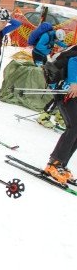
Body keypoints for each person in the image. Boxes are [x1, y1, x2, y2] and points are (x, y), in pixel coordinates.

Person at [43, 45, 77, 184]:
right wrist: (74, 83)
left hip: (72, 93)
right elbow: (74, 61)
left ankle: (62, 164)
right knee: (73, 127)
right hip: (66, 90)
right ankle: (54, 163)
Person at [31, 26, 67, 128]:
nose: (57, 41)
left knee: (64, 97)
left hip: (44, 55)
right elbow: (39, 46)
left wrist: (66, 46)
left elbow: (59, 43)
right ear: (55, 36)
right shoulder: (47, 36)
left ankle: (61, 116)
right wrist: (49, 48)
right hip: (38, 54)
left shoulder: (54, 38)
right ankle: (44, 116)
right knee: (58, 96)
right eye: (57, 39)